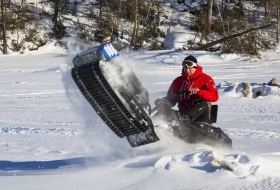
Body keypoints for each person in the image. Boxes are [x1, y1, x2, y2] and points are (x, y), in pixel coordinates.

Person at [154, 55, 218, 124]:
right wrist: (162, 102)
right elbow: (171, 99)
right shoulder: (178, 81)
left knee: (202, 102)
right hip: (182, 115)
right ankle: (152, 121)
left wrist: (199, 92)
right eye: (185, 67)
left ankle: (185, 117)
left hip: (200, 118)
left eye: (190, 68)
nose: (187, 70)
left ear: (196, 67)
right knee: (162, 109)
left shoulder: (205, 79)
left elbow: (214, 96)